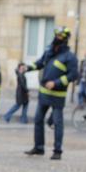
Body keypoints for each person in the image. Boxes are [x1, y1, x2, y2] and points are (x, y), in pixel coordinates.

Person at [25, 26, 77, 160]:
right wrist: (27, 68)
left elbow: (73, 75)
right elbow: (40, 63)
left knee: (57, 123)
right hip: (43, 93)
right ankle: (39, 147)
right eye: (56, 35)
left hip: (58, 96)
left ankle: (57, 151)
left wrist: (56, 83)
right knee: (38, 120)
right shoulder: (49, 51)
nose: (57, 38)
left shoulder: (69, 57)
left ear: (65, 39)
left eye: (60, 36)